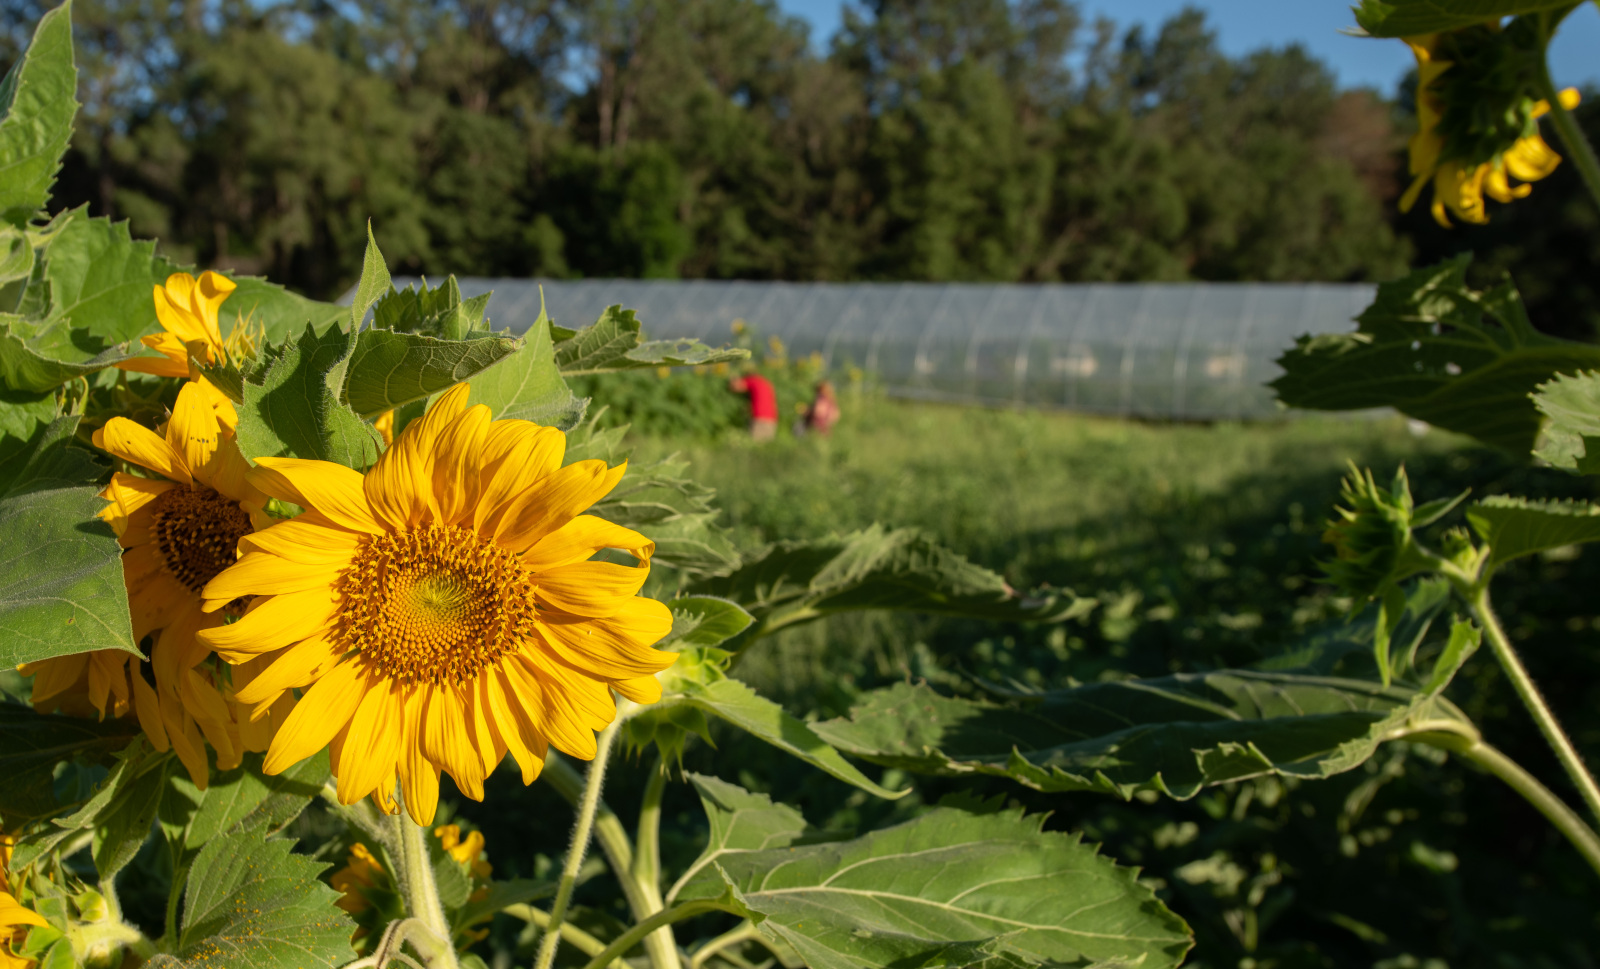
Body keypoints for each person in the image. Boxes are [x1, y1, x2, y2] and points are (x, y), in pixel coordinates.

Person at [729, 373, 778, 440]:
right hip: (772, 419)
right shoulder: (765, 382)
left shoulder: (751, 381)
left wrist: (731, 384)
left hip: (759, 418)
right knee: (766, 447)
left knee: (756, 445)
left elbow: (737, 386)